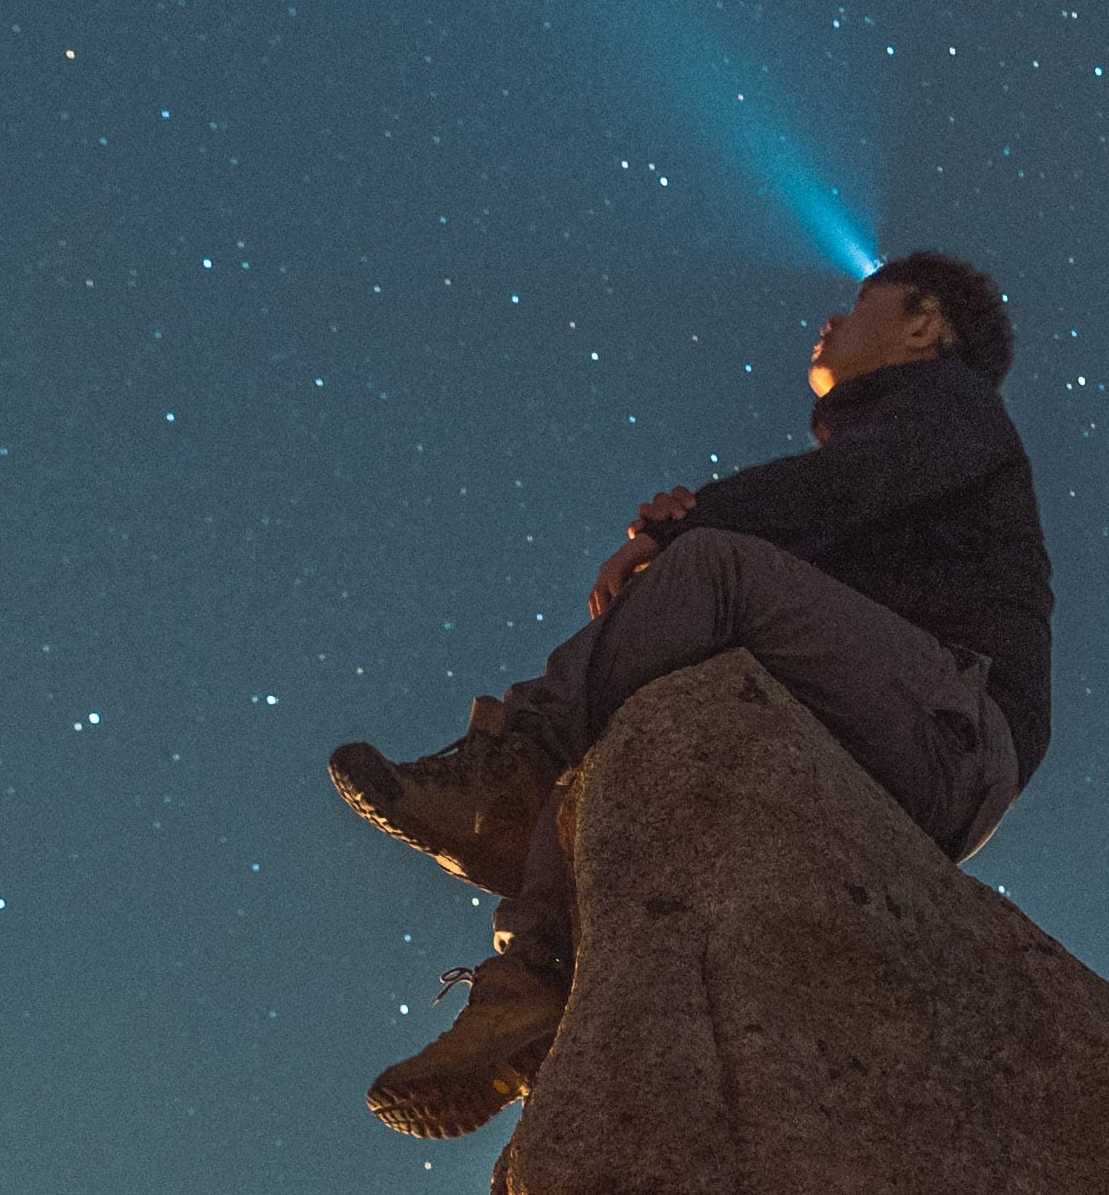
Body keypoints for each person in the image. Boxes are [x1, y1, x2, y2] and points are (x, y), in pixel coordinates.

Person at [330, 245, 1053, 1137]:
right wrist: (685, 541)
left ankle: (509, 771)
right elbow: (823, 521)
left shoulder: (950, 405)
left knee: (714, 571)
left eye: (864, 300)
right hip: (915, 739)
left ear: (923, 325)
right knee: (639, 715)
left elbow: (841, 491)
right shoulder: (895, 487)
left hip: (957, 730)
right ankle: (528, 988)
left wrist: (696, 526)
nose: (832, 321)